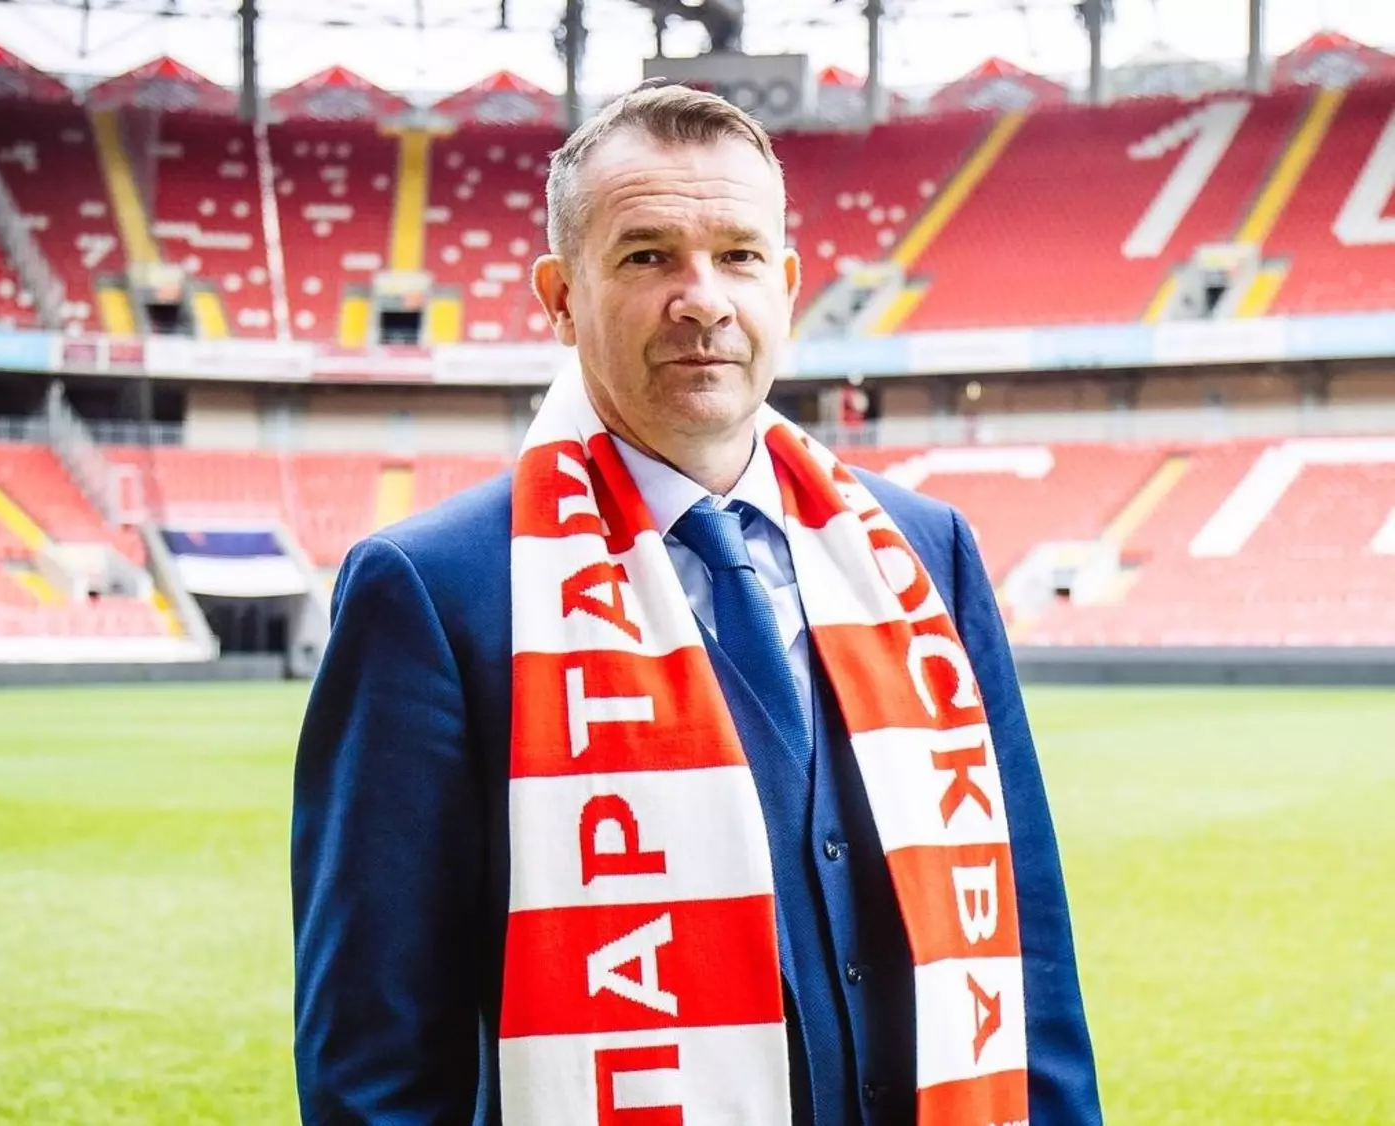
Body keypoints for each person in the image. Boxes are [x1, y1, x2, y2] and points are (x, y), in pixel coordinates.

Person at [292, 85, 1102, 1126]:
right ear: (560, 297)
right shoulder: (434, 590)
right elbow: (376, 1053)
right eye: (647, 256)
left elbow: (1025, 949)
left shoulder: (925, 549)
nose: (702, 300)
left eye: (738, 255)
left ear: (788, 285)